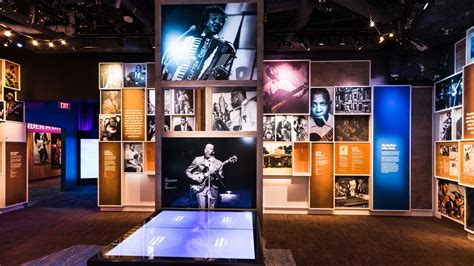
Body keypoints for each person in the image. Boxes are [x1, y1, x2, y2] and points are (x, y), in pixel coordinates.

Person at [161, 5, 236, 81]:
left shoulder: (226, 48)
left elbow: (219, 76)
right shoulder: (189, 40)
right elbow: (168, 70)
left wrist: (224, 75)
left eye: (221, 20)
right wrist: (176, 62)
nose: (217, 22)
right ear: (205, 22)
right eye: (214, 19)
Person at [185, 143, 223, 208]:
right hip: (200, 188)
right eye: (206, 148)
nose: (207, 150)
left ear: (213, 151)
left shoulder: (219, 163)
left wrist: (216, 175)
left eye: (210, 149)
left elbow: (220, 177)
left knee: (212, 210)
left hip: (213, 188)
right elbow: (187, 171)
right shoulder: (198, 159)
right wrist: (194, 178)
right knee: (201, 209)